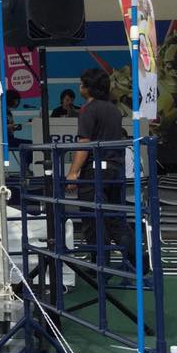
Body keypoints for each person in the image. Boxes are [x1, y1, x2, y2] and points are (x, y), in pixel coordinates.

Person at [64, 68, 133, 261]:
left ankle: (100, 266)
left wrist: (73, 172)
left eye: (82, 83)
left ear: (88, 87)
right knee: (115, 219)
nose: (79, 87)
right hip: (115, 169)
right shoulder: (114, 109)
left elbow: (84, 143)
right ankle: (138, 261)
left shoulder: (88, 109)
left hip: (95, 172)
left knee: (93, 220)